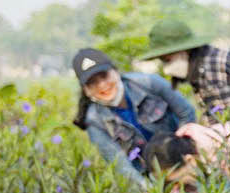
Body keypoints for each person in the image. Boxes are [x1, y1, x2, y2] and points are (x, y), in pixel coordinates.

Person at [71, 48, 196, 185]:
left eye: (104, 76)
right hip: (148, 176)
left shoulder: (149, 83)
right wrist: (151, 191)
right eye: (92, 82)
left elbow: (186, 113)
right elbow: (119, 164)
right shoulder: (94, 121)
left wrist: (183, 150)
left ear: (115, 72)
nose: (102, 85)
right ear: (86, 90)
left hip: (181, 157)